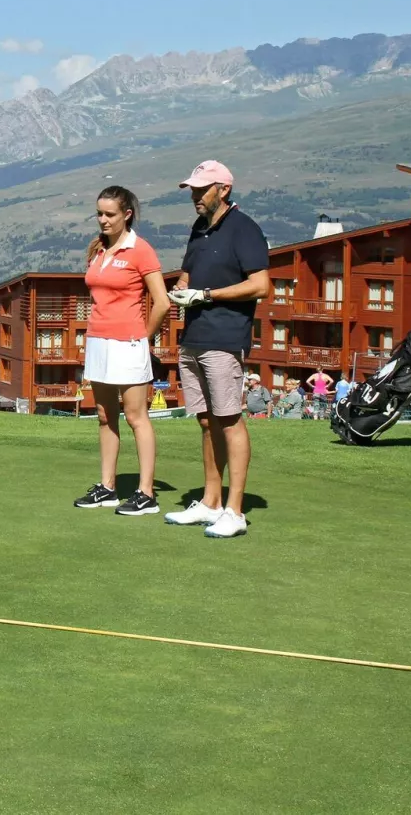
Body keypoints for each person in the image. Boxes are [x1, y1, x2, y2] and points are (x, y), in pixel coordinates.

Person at [164, 161, 271, 539]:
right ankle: (210, 502)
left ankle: (235, 510)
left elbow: (260, 285)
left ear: (223, 189)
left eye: (201, 189)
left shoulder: (244, 229)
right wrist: (182, 286)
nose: (194, 195)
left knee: (229, 419)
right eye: (193, 189)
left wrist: (207, 296)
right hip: (194, 336)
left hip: (225, 338)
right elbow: (190, 273)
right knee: (207, 420)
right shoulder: (200, 228)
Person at [73, 186, 171, 516]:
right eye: (99, 213)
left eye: (109, 214)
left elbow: (162, 302)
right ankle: (107, 488)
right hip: (99, 342)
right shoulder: (98, 250)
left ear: (126, 214)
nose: (102, 220)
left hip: (128, 343)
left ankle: (146, 493)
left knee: (135, 416)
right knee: (104, 416)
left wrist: (143, 336)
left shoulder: (140, 250)